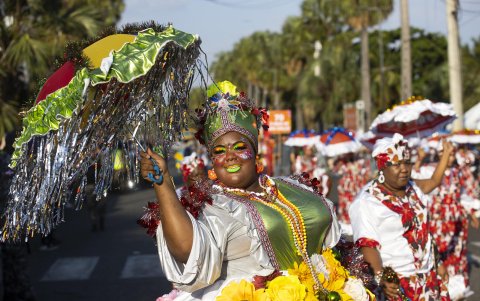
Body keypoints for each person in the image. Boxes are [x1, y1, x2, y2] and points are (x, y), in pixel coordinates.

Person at [140, 81, 371, 300]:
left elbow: (332, 241)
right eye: (219, 151)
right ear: (211, 160)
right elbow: (186, 252)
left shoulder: (293, 186)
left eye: (240, 147)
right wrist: (163, 183)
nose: (230, 156)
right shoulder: (208, 206)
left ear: (255, 151)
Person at [349, 133, 453, 301]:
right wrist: (381, 276)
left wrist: (437, 264)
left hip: (429, 279)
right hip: (399, 285)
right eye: (396, 164)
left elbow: (433, 181)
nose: (404, 169)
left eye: (406, 162)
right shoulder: (367, 201)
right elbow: (367, 245)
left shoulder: (412, 188)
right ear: (382, 167)